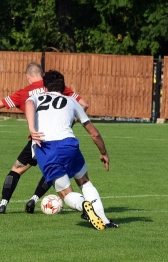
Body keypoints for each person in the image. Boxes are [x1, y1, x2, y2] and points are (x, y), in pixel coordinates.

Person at [0, 62, 88, 214]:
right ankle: (35, 199)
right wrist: (70, 123)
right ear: (42, 74)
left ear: (28, 76)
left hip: (36, 139)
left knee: (17, 169)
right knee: (53, 172)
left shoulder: (24, 93)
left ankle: (3, 205)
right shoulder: (57, 87)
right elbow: (84, 104)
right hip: (59, 140)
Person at [25, 70, 118, 229]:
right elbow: (94, 134)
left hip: (46, 148)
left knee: (66, 193)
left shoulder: (35, 97)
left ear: (45, 87)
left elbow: (28, 103)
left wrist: (32, 129)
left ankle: (84, 207)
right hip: (69, 145)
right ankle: (105, 220)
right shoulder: (71, 101)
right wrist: (104, 153)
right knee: (84, 181)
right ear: (63, 87)